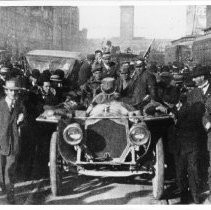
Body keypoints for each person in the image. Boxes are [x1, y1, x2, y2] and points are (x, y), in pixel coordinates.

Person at [173, 66, 210, 204]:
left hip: (207, 133)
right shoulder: (192, 93)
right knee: (194, 165)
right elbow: (185, 114)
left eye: (196, 77)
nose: (194, 79)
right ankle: (196, 192)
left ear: (203, 77)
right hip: (195, 136)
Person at [0, 78, 25, 204]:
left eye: (15, 91)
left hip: (13, 141)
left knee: (10, 169)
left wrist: (22, 118)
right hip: (1, 141)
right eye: (11, 91)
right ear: (6, 91)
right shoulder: (0, 105)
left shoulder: (19, 105)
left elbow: (23, 118)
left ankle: (10, 193)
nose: (13, 93)